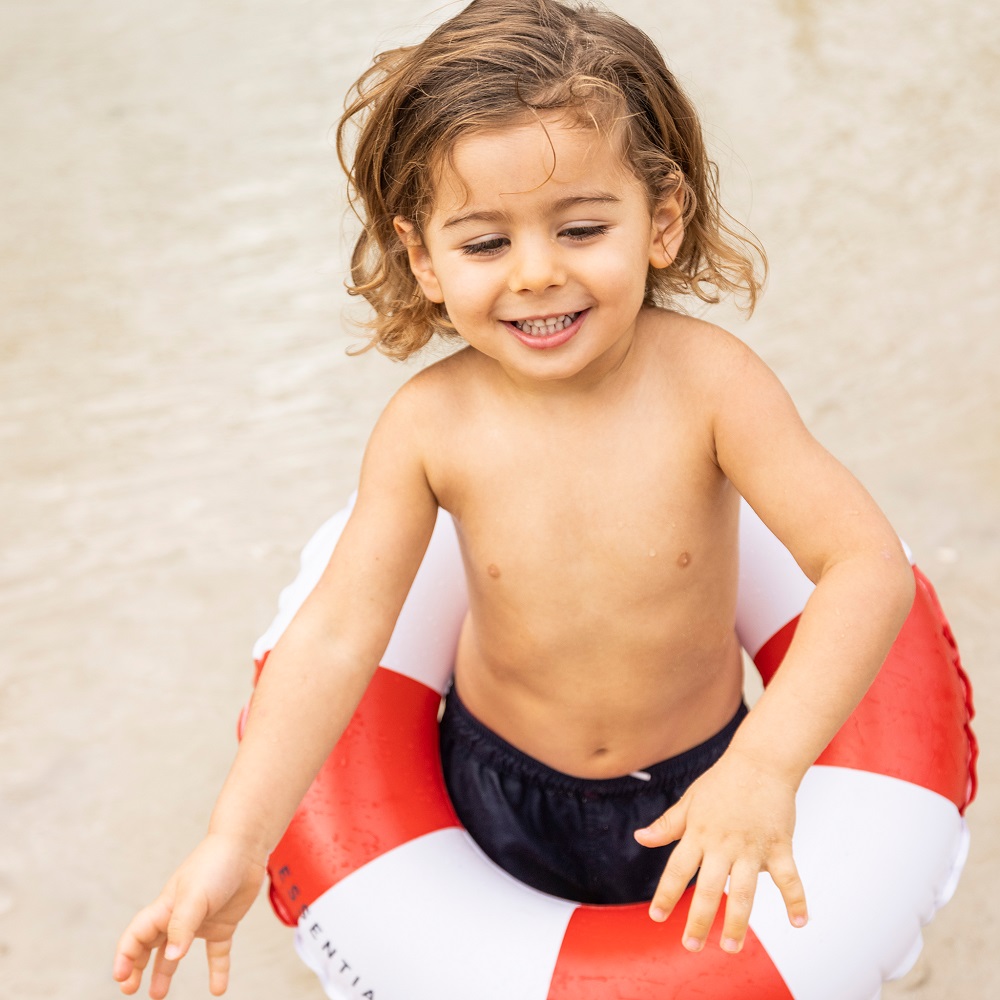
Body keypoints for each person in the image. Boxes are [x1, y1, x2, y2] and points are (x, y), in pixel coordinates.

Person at [113, 1, 916, 996]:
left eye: (581, 227)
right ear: (421, 256)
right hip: (492, 785)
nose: (538, 272)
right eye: (484, 244)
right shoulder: (430, 425)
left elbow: (865, 565)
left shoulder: (713, 387)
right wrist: (234, 838)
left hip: (702, 772)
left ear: (660, 219)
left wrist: (764, 763)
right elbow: (334, 635)